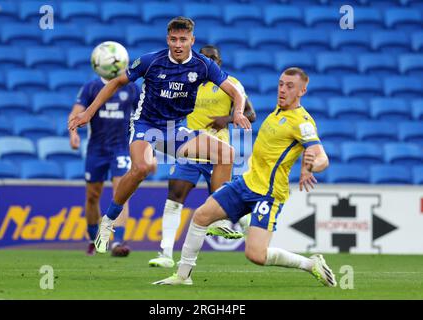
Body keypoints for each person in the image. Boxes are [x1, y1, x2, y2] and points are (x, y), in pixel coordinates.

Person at [68, 17, 251, 254]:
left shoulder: (203, 65)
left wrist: (237, 112)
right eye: (173, 39)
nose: (178, 44)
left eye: (183, 39)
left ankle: (218, 219)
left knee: (226, 153)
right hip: (146, 126)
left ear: (191, 40)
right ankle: (108, 221)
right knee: (141, 168)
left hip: (175, 131)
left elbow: (236, 92)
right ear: (168, 39)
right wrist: (89, 113)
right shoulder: (151, 61)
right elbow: (115, 82)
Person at [153, 67, 337, 287]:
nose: (282, 90)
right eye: (280, 84)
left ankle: (310, 264)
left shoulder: (302, 122)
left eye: (290, 86)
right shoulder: (278, 112)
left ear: (302, 91)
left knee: (256, 255)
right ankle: (183, 276)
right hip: (246, 183)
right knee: (201, 216)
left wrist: (313, 166)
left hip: (267, 194)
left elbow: (321, 156)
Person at [148, 44, 256, 268]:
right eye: (204, 57)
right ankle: (166, 253)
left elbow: (250, 113)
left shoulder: (231, 84)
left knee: (227, 202)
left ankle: (257, 244)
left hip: (219, 155)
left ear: (219, 62)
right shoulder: (186, 83)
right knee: (175, 195)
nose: (208, 60)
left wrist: (225, 119)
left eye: (212, 57)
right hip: (191, 150)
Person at [69, 45, 140, 256]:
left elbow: (142, 116)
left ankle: (117, 242)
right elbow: (76, 112)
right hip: (96, 150)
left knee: (121, 193)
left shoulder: (132, 88)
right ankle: (93, 238)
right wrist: (73, 133)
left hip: (120, 149)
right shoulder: (91, 88)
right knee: (92, 196)